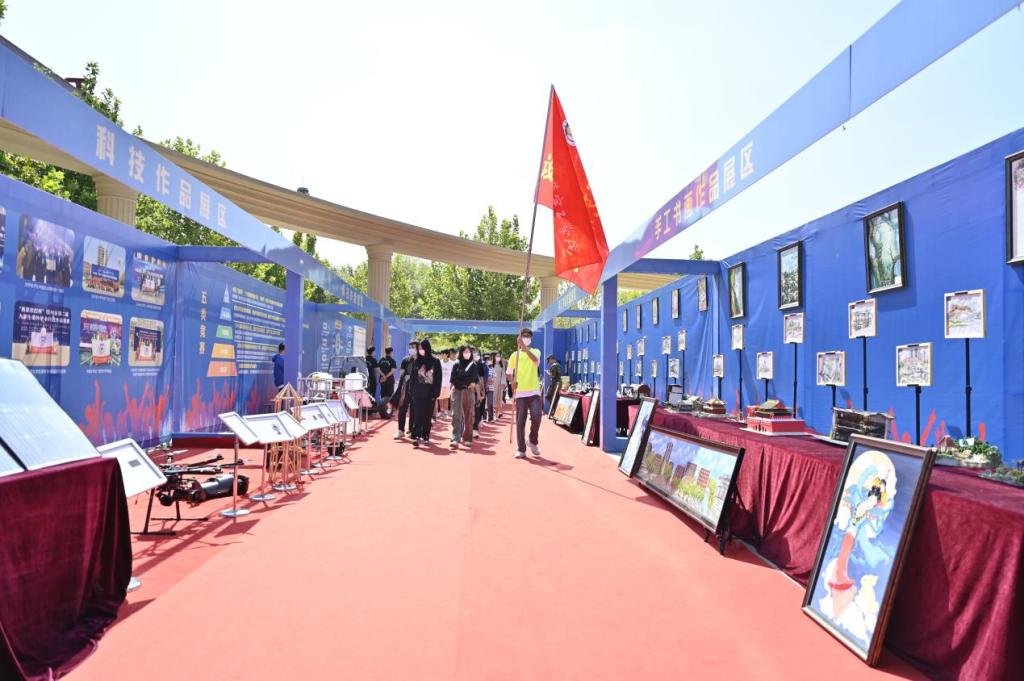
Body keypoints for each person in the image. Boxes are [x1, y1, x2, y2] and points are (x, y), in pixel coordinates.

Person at [507, 328, 542, 459]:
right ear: (520, 337)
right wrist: (512, 382)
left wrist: (524, 347)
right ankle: (521, 449)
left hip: (534, 392)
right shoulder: (513, 355)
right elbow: (509, 373)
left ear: (531, 338)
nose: (526, 338)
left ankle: (532, 441)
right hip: (520, 393)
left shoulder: (536, 351)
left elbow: (535, 360)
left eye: (528, 336)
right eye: (524, 336)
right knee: (520, 422)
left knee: (537, 417)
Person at [409, 338, 442, 447]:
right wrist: (411, 391)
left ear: (427, 348)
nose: (420, 350)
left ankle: (426, 436)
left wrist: (435, 394)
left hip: (430, 394)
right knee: (418, 415)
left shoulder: (435, 362)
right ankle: (416, 436)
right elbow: (413, 378)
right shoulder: (416, 361)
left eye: (422, 348)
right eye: (419, 348)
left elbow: (438, 379)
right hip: (417, 393)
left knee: (427, 416)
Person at [449, 345, 479, 449]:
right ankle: (455, 437)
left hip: (468, 392)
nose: (467, 354)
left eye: (469, 352)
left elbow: (473, 380)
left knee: (469, 414)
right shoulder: (456, 365)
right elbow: (453, 379)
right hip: (457, 391)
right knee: (456, 414)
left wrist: (463, 380)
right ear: (461, 353)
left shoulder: (473, 365)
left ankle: (467, 438)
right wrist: (465, 380)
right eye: (465, 352)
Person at [393, 341, 418, 440]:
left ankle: (412, 430)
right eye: (410, 347)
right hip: (405, 387)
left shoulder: (420, 360)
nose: (411, 349)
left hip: (416, 388)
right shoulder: (405, 360)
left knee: (414, 409)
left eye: (413, 347)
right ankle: (400, 430)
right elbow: (402, 373)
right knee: (402, 408)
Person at [472, 348, 488, 436]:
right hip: (466, 390)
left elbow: (481, 377)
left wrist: (482, 389)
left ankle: (475, 428)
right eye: (473, 353)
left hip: (476, 390)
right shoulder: (464, 364)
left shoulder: (480, 364)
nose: (475, 355)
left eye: (477, 353)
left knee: (477, 408)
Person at [438, 349, 455, 418]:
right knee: (440, 398)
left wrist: (452, 383)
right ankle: (441, 411)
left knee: (446, 398)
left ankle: (445, 412)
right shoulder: (440, 362)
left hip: (448, 384)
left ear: (447, 354)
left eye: (443, 354)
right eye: (441, 354)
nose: (442, 355)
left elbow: (453, 374)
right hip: (440, 383)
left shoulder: (451, 363)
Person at [484, 353, 498, 422]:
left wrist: (491, 380)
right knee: (483, 403)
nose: (489, 361)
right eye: (487, 359)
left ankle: (491, 417)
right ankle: (483, 417)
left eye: (489, 359)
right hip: (483, 388)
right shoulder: (482, 368)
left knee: (490, 403)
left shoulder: (492, 369)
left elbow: (494, 377)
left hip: (491, 388)